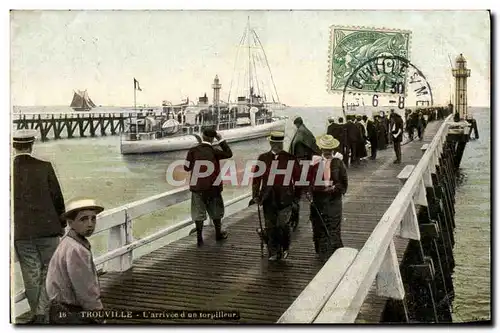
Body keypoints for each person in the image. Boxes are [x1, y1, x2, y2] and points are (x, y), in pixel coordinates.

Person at [12, 129, 66, 324]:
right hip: (48, 230)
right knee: (49, 271)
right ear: (31, 144)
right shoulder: (45, 167)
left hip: (22, 233)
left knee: (30, 274)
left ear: (13, 146)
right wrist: (62, 222)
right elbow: (57, 198)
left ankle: (37, 315)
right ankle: (43, 314)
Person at [46, 198, 105, 324]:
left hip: (59, 309)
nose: (90, 224)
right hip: (70, 312)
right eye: (83, 219)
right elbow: (84, 288)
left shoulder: (69, 242)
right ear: (71, 223)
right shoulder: (76, 250)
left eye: (93, 219)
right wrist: (97, 313)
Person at [252, 131, 301, 261]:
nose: (277, 145)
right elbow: (256, 178)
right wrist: (255, 195)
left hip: (286, 197)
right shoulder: (263, 158)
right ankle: (273, 252)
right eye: (275, 143)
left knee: (282, 225)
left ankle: (285, 248)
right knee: (270, 226)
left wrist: (296, 197)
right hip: (268, 198)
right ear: (271, 143)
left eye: (279, 143)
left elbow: (298, 179)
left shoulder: (290, 158)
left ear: (282, 143)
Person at [184, 128, 233, 246]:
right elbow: (229, 154)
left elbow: (186, 167)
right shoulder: (214, 151)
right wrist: (221, 140)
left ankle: (199, 238)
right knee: (216, 212)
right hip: (213, 187)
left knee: (198, 213)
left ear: (202, 136)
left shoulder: (193, 150)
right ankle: (218, 234)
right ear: (212, 139)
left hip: (198, 187)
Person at [306, 134, 348, 261]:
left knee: (334, 226)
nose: (328, 152)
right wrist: (309, 192)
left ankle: (334, 253)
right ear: (321, 149)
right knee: (319, 226)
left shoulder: (338, 163)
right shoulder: (314, 163)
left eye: (330, 150)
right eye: (325, 150)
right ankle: (322, 253)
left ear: (333, 150)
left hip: (334, 200)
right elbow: (308, 181)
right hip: (319, 200)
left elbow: (344, 182)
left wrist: (335, 188)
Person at [288, 117, 319, 231]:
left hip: (301, 161)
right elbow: (312, 145)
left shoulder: (300, 132)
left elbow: (298, 144)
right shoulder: (305, 131)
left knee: (299, 188)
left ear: (297, 123)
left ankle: (294, 219)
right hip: (303, 161)